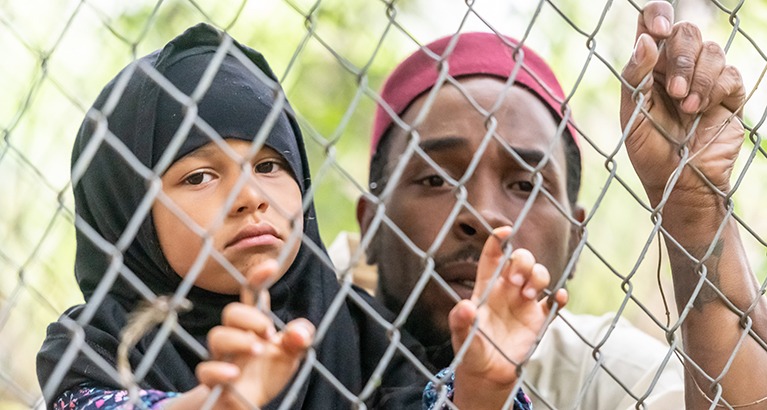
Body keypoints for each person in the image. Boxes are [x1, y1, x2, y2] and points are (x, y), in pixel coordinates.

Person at [36, 23, 568, 410]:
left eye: (269, 165)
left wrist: (481, 388)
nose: (249, 196)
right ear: (124, 209)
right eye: (199, 176)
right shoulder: (96, 344)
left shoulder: (362, 332)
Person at [355, 1, 767, 409]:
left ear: (575, 239)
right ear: (370, 222)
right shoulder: (306, 317)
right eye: (437, 179)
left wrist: (692, 208)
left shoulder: (603, 367)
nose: (482, 215)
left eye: (525, 185)